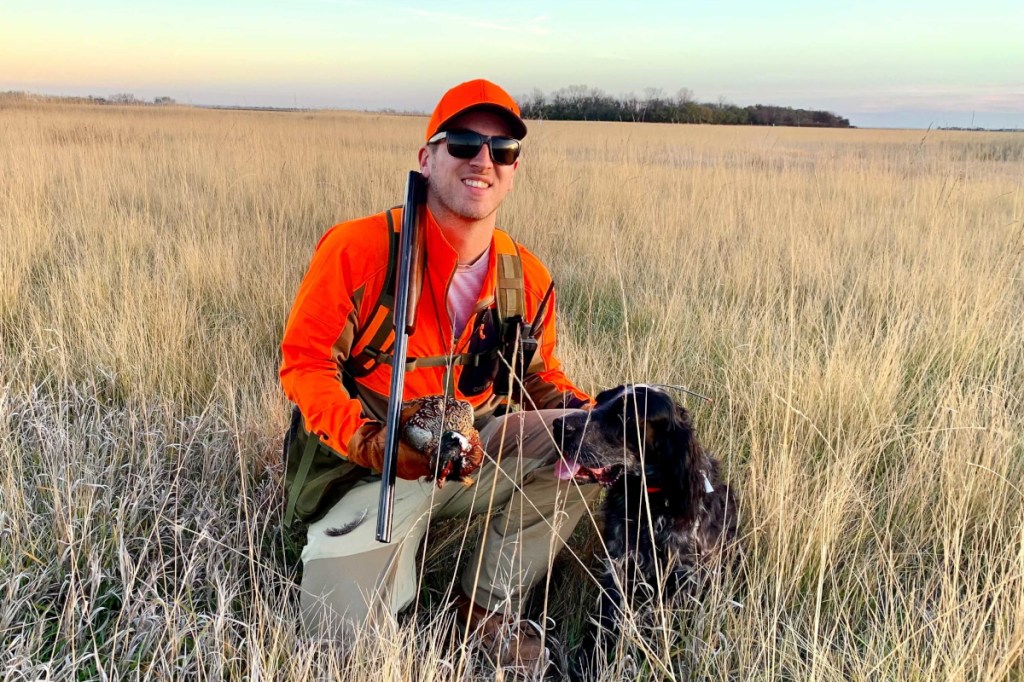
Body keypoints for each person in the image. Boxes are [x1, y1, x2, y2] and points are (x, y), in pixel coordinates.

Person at [279, 79, 598, 669]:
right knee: (340, 649)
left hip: (475, 449)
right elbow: (306, 364)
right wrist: (374, 442)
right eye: (463, 143)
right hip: (369, 471)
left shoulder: (524, 275)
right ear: (426, 158)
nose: (483, 160)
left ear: (515, 168)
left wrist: (601, 418)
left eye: (502, 150)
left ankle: (483, 610)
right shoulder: (359, 250)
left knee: (588, 446)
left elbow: (537, 377)